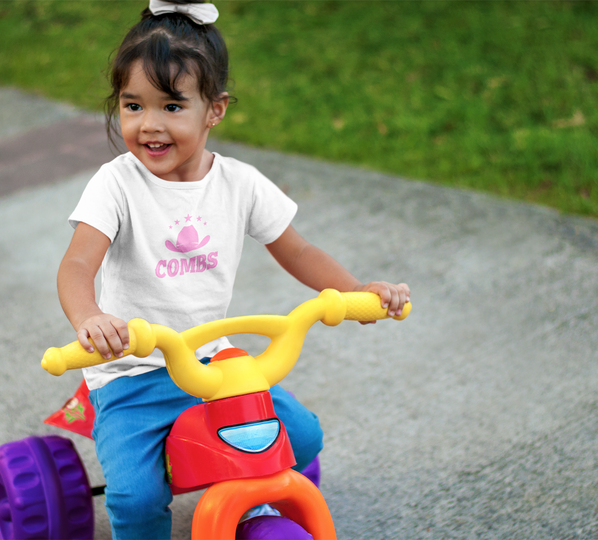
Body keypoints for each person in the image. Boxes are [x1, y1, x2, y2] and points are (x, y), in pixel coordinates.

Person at [57, 1, 410, 538]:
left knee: (303, 435)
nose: (148, 125)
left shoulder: (239, 183)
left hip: (213, 363)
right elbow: (79, 261)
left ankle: (249, 499)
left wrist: (356, 291)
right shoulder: (117, 184)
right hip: (135, 371)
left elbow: (298, 250)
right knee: (136, 494)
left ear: (214, 110)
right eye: (133, 105)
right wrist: (91, 318)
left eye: (172, 106)